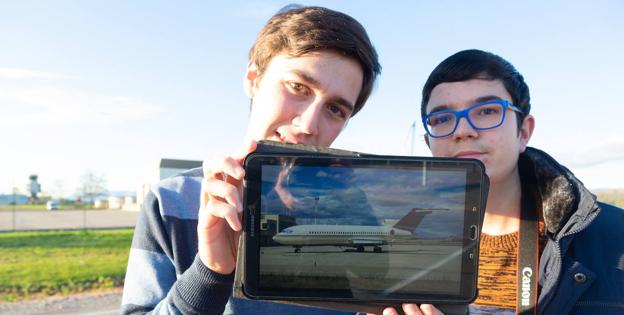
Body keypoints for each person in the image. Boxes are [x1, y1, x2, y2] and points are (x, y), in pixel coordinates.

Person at [121, 5, 440, 315]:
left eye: (335, 109)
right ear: (253, 79)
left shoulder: (354, 208)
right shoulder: (170, 203)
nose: (308, 125)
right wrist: (210, 272)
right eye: (297, 87)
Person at [420, 49, 624, 314]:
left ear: (523, 132)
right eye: (442, 118)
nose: (463, 130)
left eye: (487, 111)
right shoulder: (399, 245)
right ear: (429, 143)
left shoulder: (615, 239)